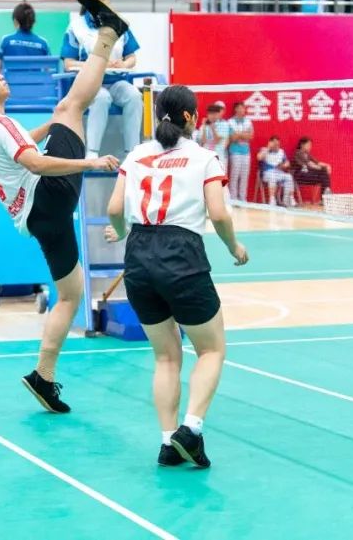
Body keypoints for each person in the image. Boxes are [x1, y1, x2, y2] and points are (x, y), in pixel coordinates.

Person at [0, 0, 126, 413]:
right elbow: (35, 162)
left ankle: (43, 376)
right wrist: (90, 162)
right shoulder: (0, 123)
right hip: (49, 195)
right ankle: (110, 33)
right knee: (73, 104)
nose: (0, 75)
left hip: (39, 219)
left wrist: (51, 126)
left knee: (70, 294)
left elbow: (23, 145)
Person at [102, 84, 246, 468]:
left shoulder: (136, 155)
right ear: (189, 117)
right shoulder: (204, 158)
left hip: (138, 255)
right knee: (211, 350)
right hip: (181, 254)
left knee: (165, 358)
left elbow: (114, 208)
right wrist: (234, 247)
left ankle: (168, 443)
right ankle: (191, 429)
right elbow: (218, 214)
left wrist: (120, 230)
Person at [60, 0, 141, 160]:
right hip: (89, 84)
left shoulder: (120, 23)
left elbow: (132, 58)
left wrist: (124, 64)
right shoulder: (76, 27)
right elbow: (69, 63)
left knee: (135, 96)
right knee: (102, 98)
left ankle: (132, 153)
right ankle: (92, 152)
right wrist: (97, 64)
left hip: (117, 82)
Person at [0, 2, 50, 72]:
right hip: (35, 79)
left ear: (15, 21)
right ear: (34, 22)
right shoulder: (43, 43)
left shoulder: (5, 41)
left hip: (11, 79)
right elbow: (48, 72)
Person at [226, 102, 253, 201]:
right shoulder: (230, 122)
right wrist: (243, 135)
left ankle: (242, 198)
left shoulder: (248, 122)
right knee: (235, 175)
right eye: (240, 108)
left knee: (244, 175)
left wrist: (239, 134)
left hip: (246, 152)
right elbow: (232, 138)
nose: (242, 110)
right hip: (235, 152)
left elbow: (250, 136)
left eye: (243, 108)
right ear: (236, 109)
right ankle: (233, 198)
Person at [258, 136, 295, 206]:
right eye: (275, 144)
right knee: (272, 177)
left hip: (279, 172)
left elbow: (287, 162)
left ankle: (288, 199)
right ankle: (272, 199)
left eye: (278, 144)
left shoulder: (281, 152)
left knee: (289, 177)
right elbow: (259, 157)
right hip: (267, 173)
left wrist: (284, 165)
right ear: (270, 143)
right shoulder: (264, 150)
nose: (276, 146)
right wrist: (268, 148)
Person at [197, 100, 230, 170]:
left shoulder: (224, 124)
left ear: (218, 114)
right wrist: (204, 127)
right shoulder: (203, 126)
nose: (213, 116)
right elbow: (203, 141)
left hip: (219, 158)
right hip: (206, 158)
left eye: (215, 114)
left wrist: (212, 128)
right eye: (210, 113)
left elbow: (217, 140)